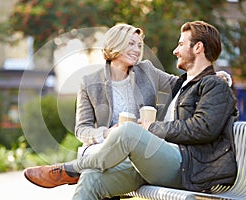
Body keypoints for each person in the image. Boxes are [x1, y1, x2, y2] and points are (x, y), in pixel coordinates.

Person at [24, 21, 237, 199]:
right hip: (143, 158)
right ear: (116, 45)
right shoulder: (91, 82)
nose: (175, 50)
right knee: (91, 178)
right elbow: (83, 127)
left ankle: (70, 169)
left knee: (127, 131)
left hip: (183, 167)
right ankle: (80, 170)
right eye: (131, 44)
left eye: (181, 44)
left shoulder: (157, 73)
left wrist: (218, 78)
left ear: (198, 48)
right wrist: (106, 133)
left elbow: (201, 122)